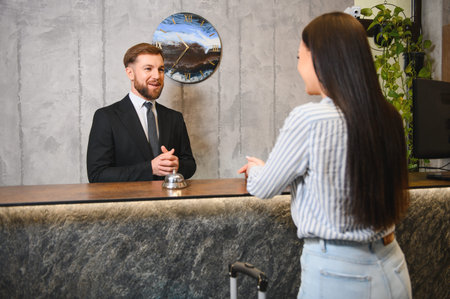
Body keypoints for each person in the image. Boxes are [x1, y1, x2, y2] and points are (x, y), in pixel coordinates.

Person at [238, 12, 411, 299]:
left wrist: (258, 169)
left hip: (339, 273)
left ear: (320, 58)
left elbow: (263, 186)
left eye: (298, 58)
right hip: (392, 266)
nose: (298, 68)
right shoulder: (389, 115)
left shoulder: (310, 119)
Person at [87, 43, 196, 182]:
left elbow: (190, 165)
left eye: (161, 69)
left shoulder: (175, 118)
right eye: (148, 69)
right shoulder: (106, 117)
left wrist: (177, 165)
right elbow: (97, 175)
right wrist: (150, 168)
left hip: (169, 202)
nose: (157, 76)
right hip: (128, 202)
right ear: (130, 73)